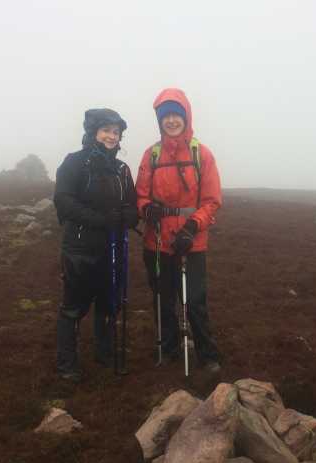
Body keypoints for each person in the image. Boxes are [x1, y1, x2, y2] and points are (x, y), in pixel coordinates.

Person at [135, 88, 223, 373]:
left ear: (186, 116)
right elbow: (140, 196)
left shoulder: (202, 154)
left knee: (194, 300)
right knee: (163, 299)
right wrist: (146, 208)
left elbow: (211, 201)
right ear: (159, 120)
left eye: (176, 115)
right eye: (165, 116)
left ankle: (207, 354)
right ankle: (169, 349)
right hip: (157, 241)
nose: (171, 121)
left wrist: (192, 227)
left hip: (191, 241)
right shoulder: (151, 155)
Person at [52, 108, 138, 381]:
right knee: (73, 308)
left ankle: (104, 352)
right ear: (93, 132)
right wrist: (101, 220)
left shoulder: (122, 170)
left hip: (114, 249)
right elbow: (64, 202)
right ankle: (67, 365)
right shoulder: (75, 163)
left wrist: (129, 215)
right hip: (80, 249)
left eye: (116, 132)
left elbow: (132, 205)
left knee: (108, 305)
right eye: (106, 130)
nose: (112, 136)